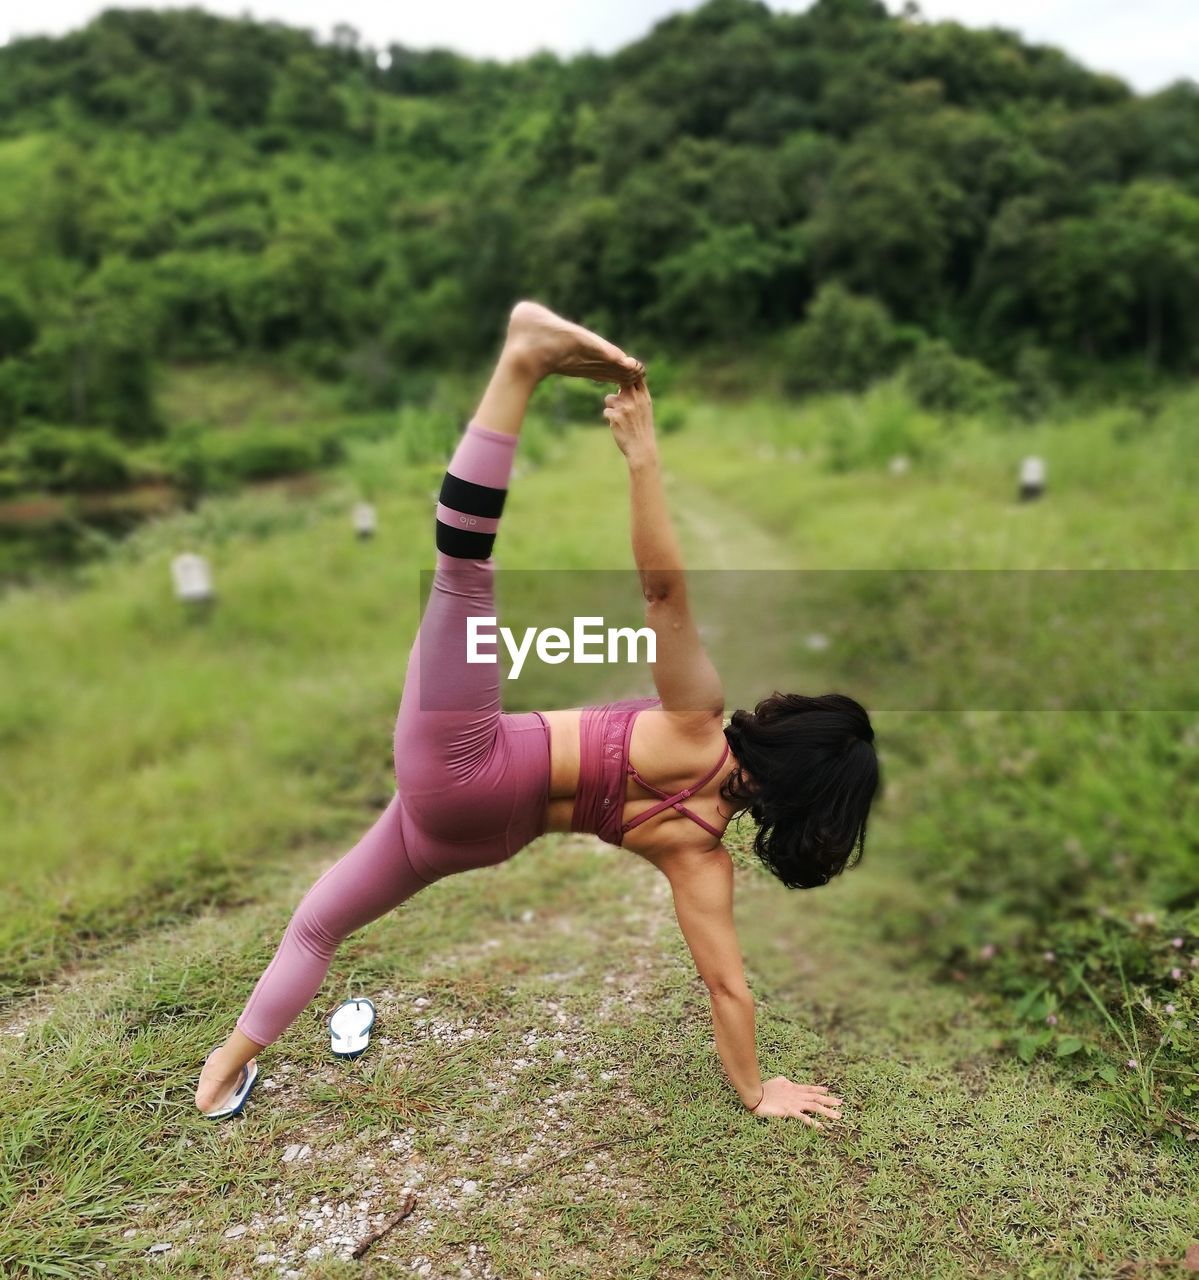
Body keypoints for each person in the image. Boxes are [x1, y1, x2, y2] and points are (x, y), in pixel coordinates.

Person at [194, 301, 878, 1126]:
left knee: (463, 569)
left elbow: (663, 590)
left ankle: (521, 358)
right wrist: (753, 1090)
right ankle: (222, 1076)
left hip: (461, 762)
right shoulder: (701, 856)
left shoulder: (698, 718)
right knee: (318, 923)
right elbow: (726, 984)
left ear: (787, 729)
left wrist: (642, 456)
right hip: (475, 838)